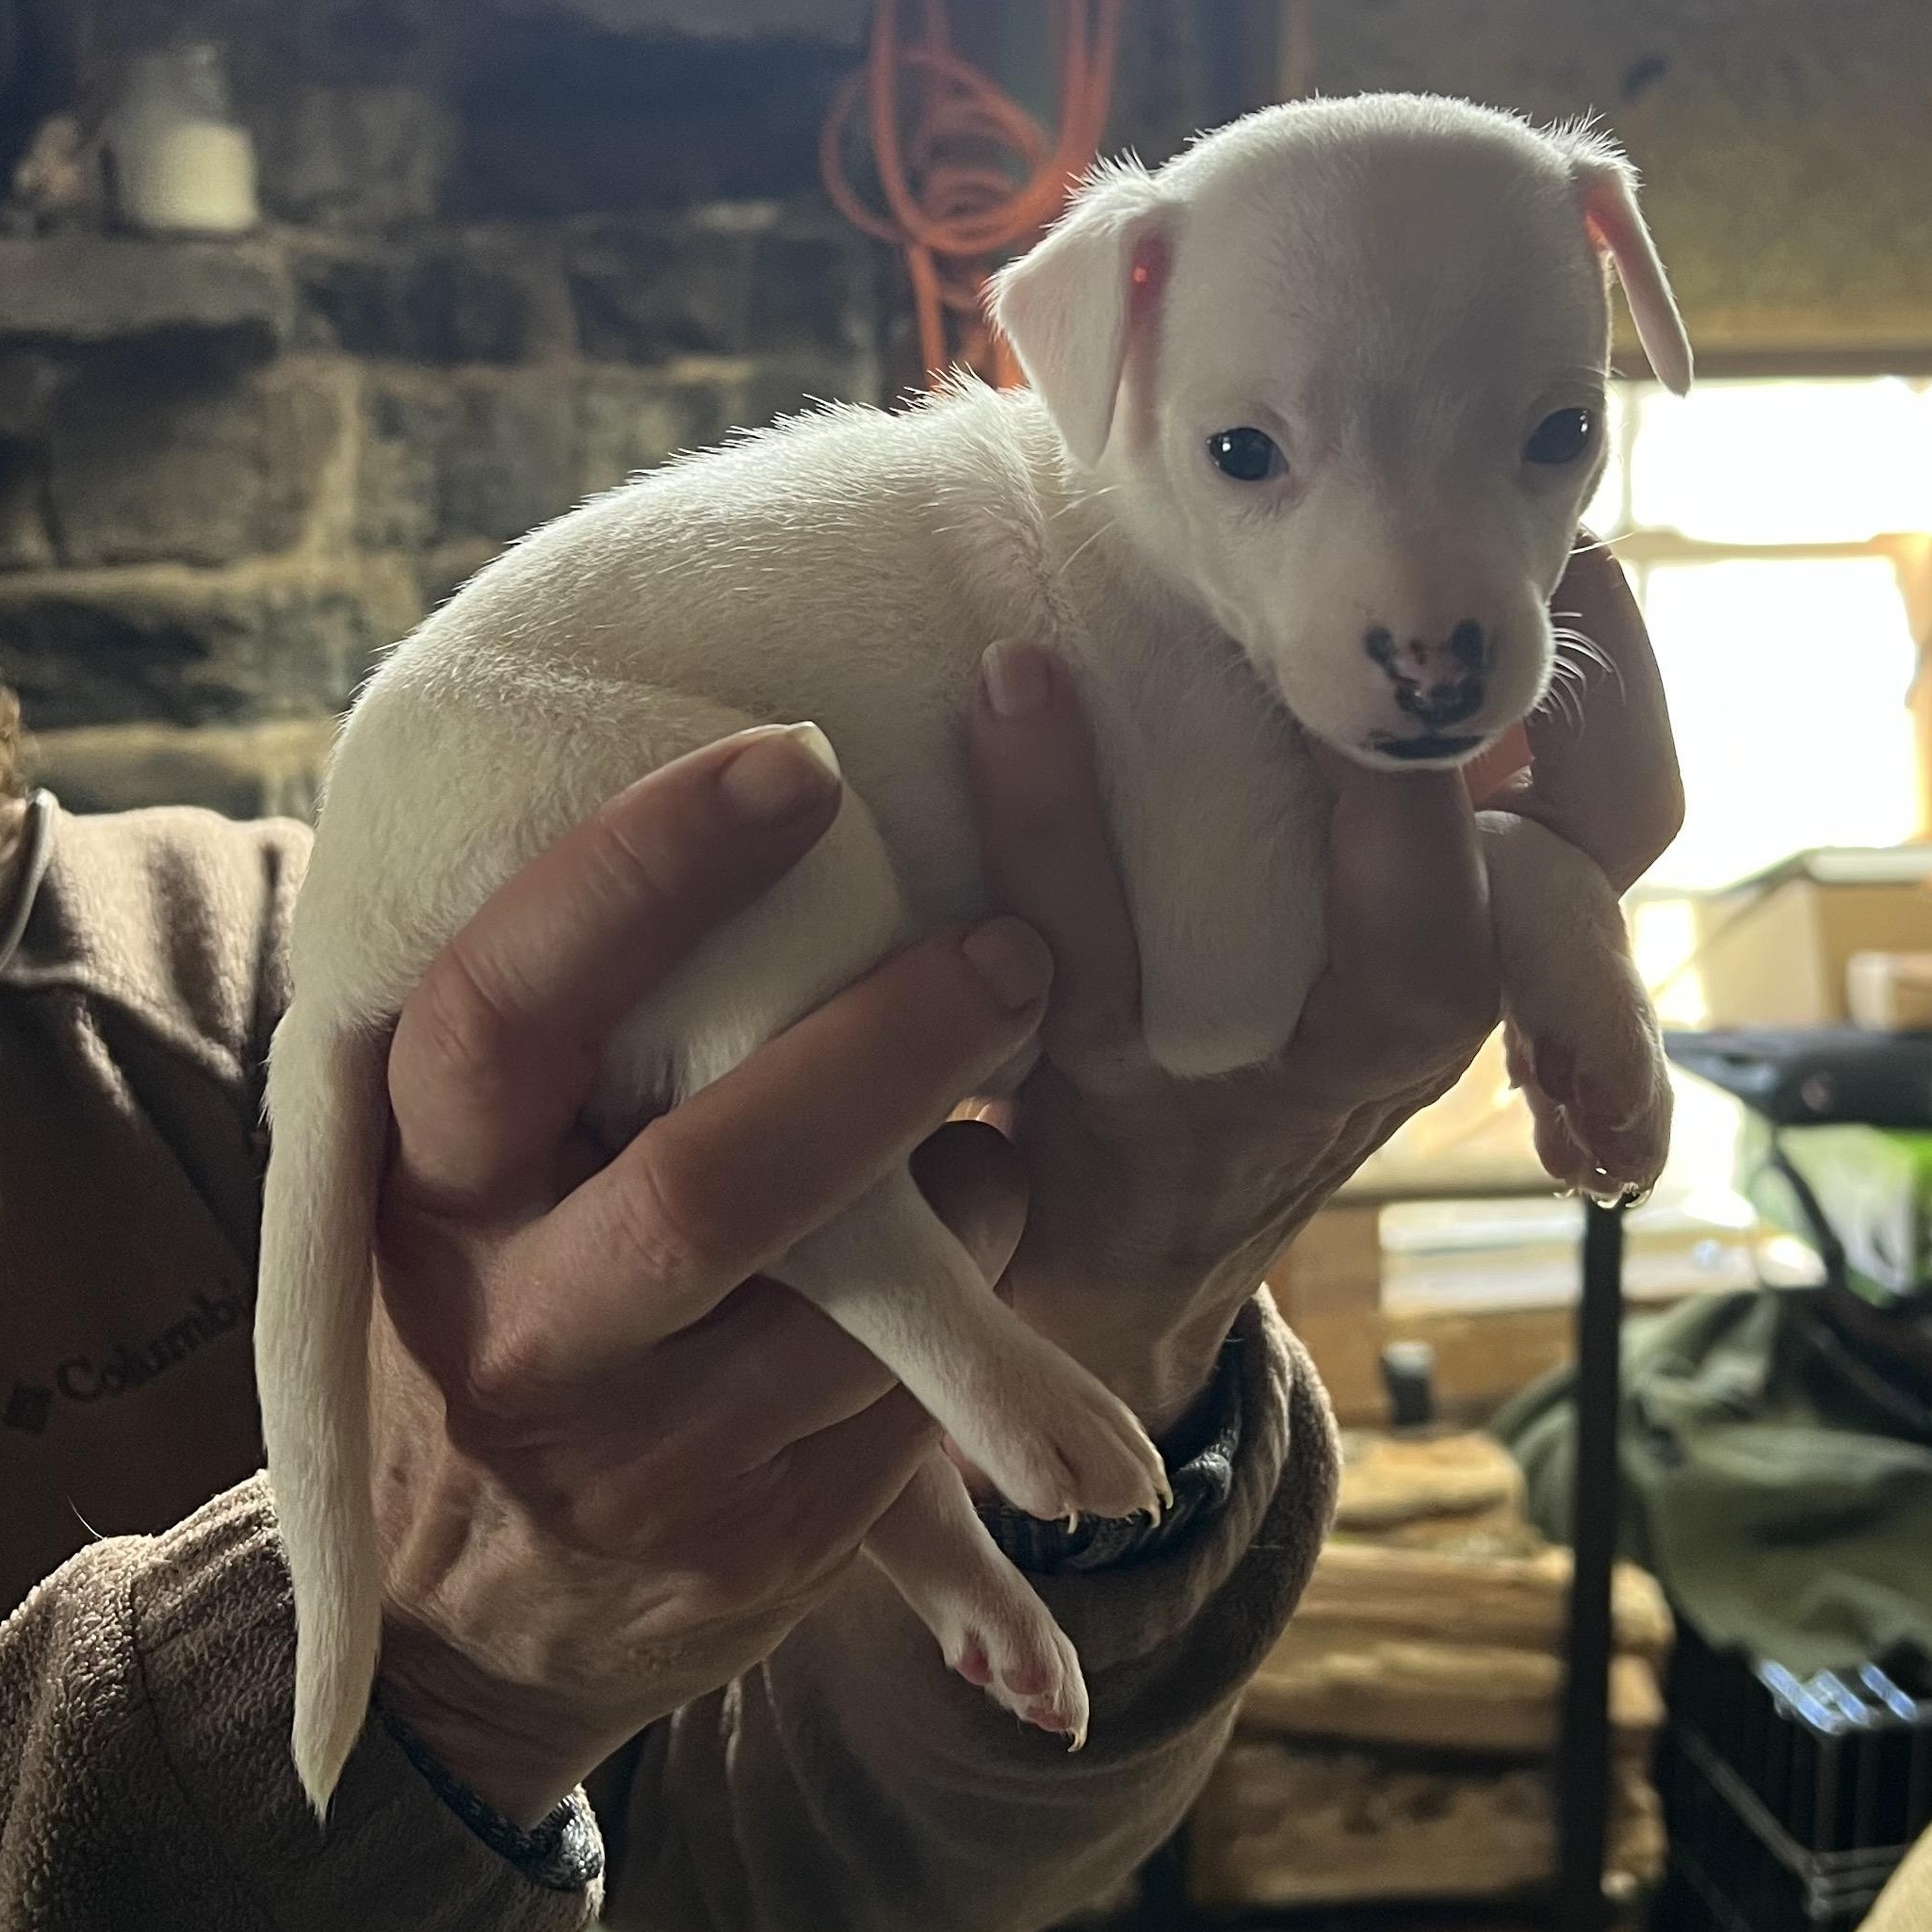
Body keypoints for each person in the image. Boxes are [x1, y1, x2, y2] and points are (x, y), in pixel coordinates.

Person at [0, 544, 1684, 1930]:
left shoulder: (293, 959)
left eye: (1550, 440)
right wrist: (446, 1674)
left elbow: (827, 1886)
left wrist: (1138, 1277)